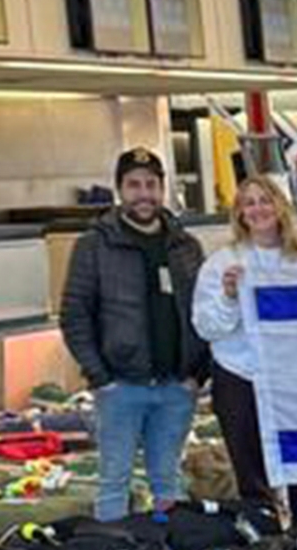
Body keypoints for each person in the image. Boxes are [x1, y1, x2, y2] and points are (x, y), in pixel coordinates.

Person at [60, 147, 208, 520]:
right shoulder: (94, 245)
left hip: (177, 387)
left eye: (151, 185)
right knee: (114, 482)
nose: (144, 194)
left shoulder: (186, 246)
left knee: (168, 482)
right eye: (134, 185)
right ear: (119, 190)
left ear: (162, 188)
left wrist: (197, 373)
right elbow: (74, 314)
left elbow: (205, 314)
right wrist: (100, 376)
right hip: (120, 387)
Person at [190, 176, 297, 520]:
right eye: (249, 203)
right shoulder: (221, 264)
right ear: (239, 214)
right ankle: (268, 543)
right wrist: (227, 297)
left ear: (280, 206)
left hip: (296, 380)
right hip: (239, 378)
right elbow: (205, 326)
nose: (258, 209)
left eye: (265, 200)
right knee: (252, 474)